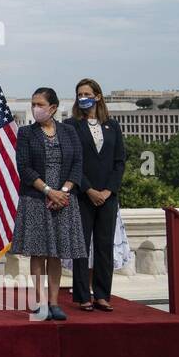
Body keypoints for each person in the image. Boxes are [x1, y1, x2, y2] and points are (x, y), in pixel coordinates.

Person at [11, 87, 85, 320]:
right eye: (34, 104)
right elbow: (24, 167)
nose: (36, 108)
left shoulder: (69, 131)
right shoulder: (26, 133)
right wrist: (47, 191)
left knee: (57, 253)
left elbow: (77, 164)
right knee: (39, 252)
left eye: (40, 104)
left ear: (53, 108)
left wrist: (63, 191)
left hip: (64, 198)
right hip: (36, 198)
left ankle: (54, 302)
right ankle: (39, 301)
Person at [65, 78, 127, 312]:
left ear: (98, 96)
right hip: (83, 195)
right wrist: (89, 189)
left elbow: (119, 162)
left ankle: (102, 295)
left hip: (108, 196)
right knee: (82, 246)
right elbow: (72, 162)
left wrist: (108, 190)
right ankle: (83, 296)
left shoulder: (113, 125)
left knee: (104, 246)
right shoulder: (71, 126)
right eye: (79, 94)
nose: (83, 98)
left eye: (87, 94)